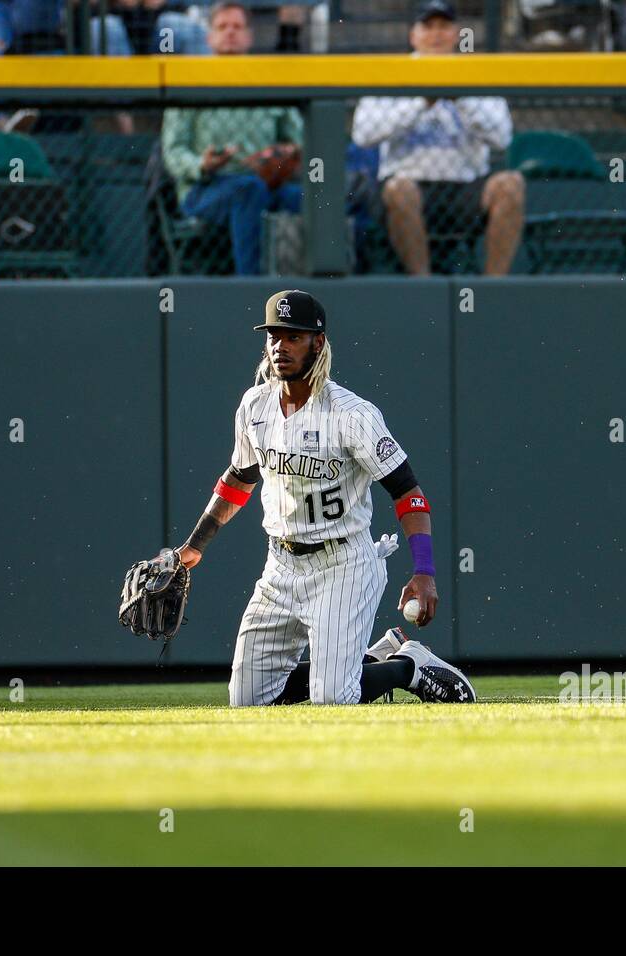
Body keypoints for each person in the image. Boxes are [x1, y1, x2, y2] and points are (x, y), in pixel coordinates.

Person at [171, 290, 477, 706]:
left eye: (293, 336)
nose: (280, 346)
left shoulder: (351, 415)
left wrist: (424, 570)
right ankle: (371, 658)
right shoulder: (254, 406)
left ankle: (410, 667)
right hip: (279, 567)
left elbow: (408, 494)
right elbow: (239, 480)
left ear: (318, 343)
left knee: (333, 698)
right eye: (273, 336)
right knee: (246, 702)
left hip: (343, 566)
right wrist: (193, 547)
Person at [351, 0, 524, 276]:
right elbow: (363, 135)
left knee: (511, 184)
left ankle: (493, 287)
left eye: (444, 26)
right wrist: (421, 102)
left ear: (456, 34)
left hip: (466, 188)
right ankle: (424, 284)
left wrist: (461, 98)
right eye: (428, 26)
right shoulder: (390, 72)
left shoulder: (477, 73)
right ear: (413, 35)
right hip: (409, 185)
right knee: (399, 189)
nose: (436, 34)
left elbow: (502, 138)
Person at [160, 2, 303, 275]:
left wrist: (285, 154)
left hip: (265, 183)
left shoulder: (268, 81)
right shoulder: (190, 82)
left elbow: (298, 139)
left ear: (249, 36)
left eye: (237, 27)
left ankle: (312, 285)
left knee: (308, 198)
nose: (230, 33)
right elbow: (173, 151)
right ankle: (250, 288)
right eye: (222, 27)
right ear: (209, 37)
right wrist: (202, 165)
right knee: (247, 190)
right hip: (205, 189)